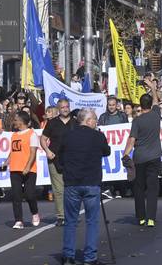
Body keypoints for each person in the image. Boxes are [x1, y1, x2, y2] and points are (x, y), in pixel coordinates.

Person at [58, 108, 111, 265]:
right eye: (94, 119)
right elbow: (106, 151)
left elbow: (60, 157)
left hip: (72, 182)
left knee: (70, 221)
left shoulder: (68, 136)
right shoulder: (97, 136)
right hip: (91, 182)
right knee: (92, 221)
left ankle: (68, 255)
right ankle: (90, 257)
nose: (96, 122)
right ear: (88, 121)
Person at [123, 79, 162, 227]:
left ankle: (141, 217)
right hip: (154, 157)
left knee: (139, 188)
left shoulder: (137, 121)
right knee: (152, 188)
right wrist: (152, 87)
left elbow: (132, 140)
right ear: (150, 104)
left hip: (140, 158)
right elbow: (157, 102)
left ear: (140, 105)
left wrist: (125, 154)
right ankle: (151, 218)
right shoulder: (156, 115)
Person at [40, 99, 77, 226]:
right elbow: (43, 139)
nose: (65, 109)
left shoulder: (75, 122)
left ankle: (72, 215)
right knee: (58, 190)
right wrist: (47, 151)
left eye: (67, 107)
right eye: (62, 107)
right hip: (55, 159)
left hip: (72, 160)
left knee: (72, 190)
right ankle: (61, 216)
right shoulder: (52, 123)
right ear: (58, 109)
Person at [2, 111, 40, 229]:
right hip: (15, 169)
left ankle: (35, 213)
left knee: (30, 195)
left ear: (22, 121)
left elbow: (33, 153)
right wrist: (6, 161)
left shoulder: (31, 134)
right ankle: (18, 220)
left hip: (29, 170)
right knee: (16, 196)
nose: (14, 122)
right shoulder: (14, 135)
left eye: (16, 120)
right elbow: (13, 151)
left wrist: (28, 167)